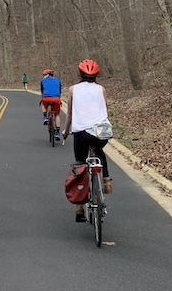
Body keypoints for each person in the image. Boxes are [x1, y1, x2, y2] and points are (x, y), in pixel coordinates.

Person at [61, 58, 113, 222]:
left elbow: (69, 113)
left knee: (80, 163)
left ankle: (79, 208)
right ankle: (106, 181)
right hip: (103, 131)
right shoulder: (102, 89)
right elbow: (104, 107)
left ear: (80, 74)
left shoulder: (73, 89)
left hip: (82, 132)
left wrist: (66, 130)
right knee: (99, 151)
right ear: (96, 75)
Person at [39, 68, 62, 141]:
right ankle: (58, 133)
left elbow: (42, 92)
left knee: (43, 103)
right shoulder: (58, 80)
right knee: (57, 115)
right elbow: (59, 91)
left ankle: (45, 117)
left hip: (46, 98)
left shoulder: (43, 80)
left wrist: (42, 99)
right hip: (56, 99)